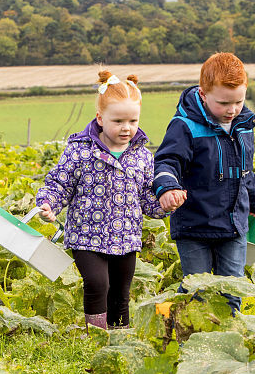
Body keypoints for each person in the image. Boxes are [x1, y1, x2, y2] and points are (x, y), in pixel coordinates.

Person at [36, 71, 167, 330]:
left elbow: (146, 199)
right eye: (118, 121)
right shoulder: (81, 150)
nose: (126, 128)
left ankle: (119, 339)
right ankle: (96, 335)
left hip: (126, 236)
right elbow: (60, 183)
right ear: (100, 118)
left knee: (120, 291)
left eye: (132, 121)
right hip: (87, 234)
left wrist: (164, 204)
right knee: (97, 283)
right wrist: (49, 202)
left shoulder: (142, 156)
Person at [151, 52, 255, 313]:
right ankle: (189, 337)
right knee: (197, 290)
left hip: (234, 223)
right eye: (224, 103)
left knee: (232, 287)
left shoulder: (243, 125)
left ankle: (228, 340)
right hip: (195, 224)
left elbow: (245, 170)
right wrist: (168, 188)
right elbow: (167, 161)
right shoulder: (185, 126)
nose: (232, 110)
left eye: (238, 101)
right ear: (203, 95)